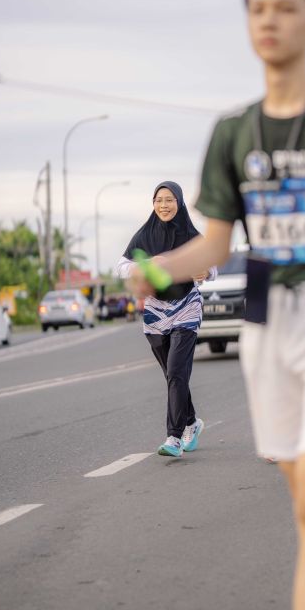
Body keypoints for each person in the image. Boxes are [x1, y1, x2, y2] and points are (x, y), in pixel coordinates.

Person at [129, 0, 305, 610]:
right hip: (267, 320)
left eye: (286, 8)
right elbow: (216, 245)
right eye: (258, 9)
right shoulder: (233, 132)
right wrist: (157, 271)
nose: (269, 20)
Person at [117, 181, 216, 457]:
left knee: (176, 370)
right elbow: (121, 267)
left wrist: (205, 272)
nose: (164, 205)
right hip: (155, 312)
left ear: (179, 203)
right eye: (159, 200)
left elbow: (211, 265)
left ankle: (174, 437)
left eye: (169, 200)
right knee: (173, 375)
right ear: (153, 204)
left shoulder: (191, 236)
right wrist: (147, 265)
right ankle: (191, 422)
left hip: (186, 307)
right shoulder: (144, 235)